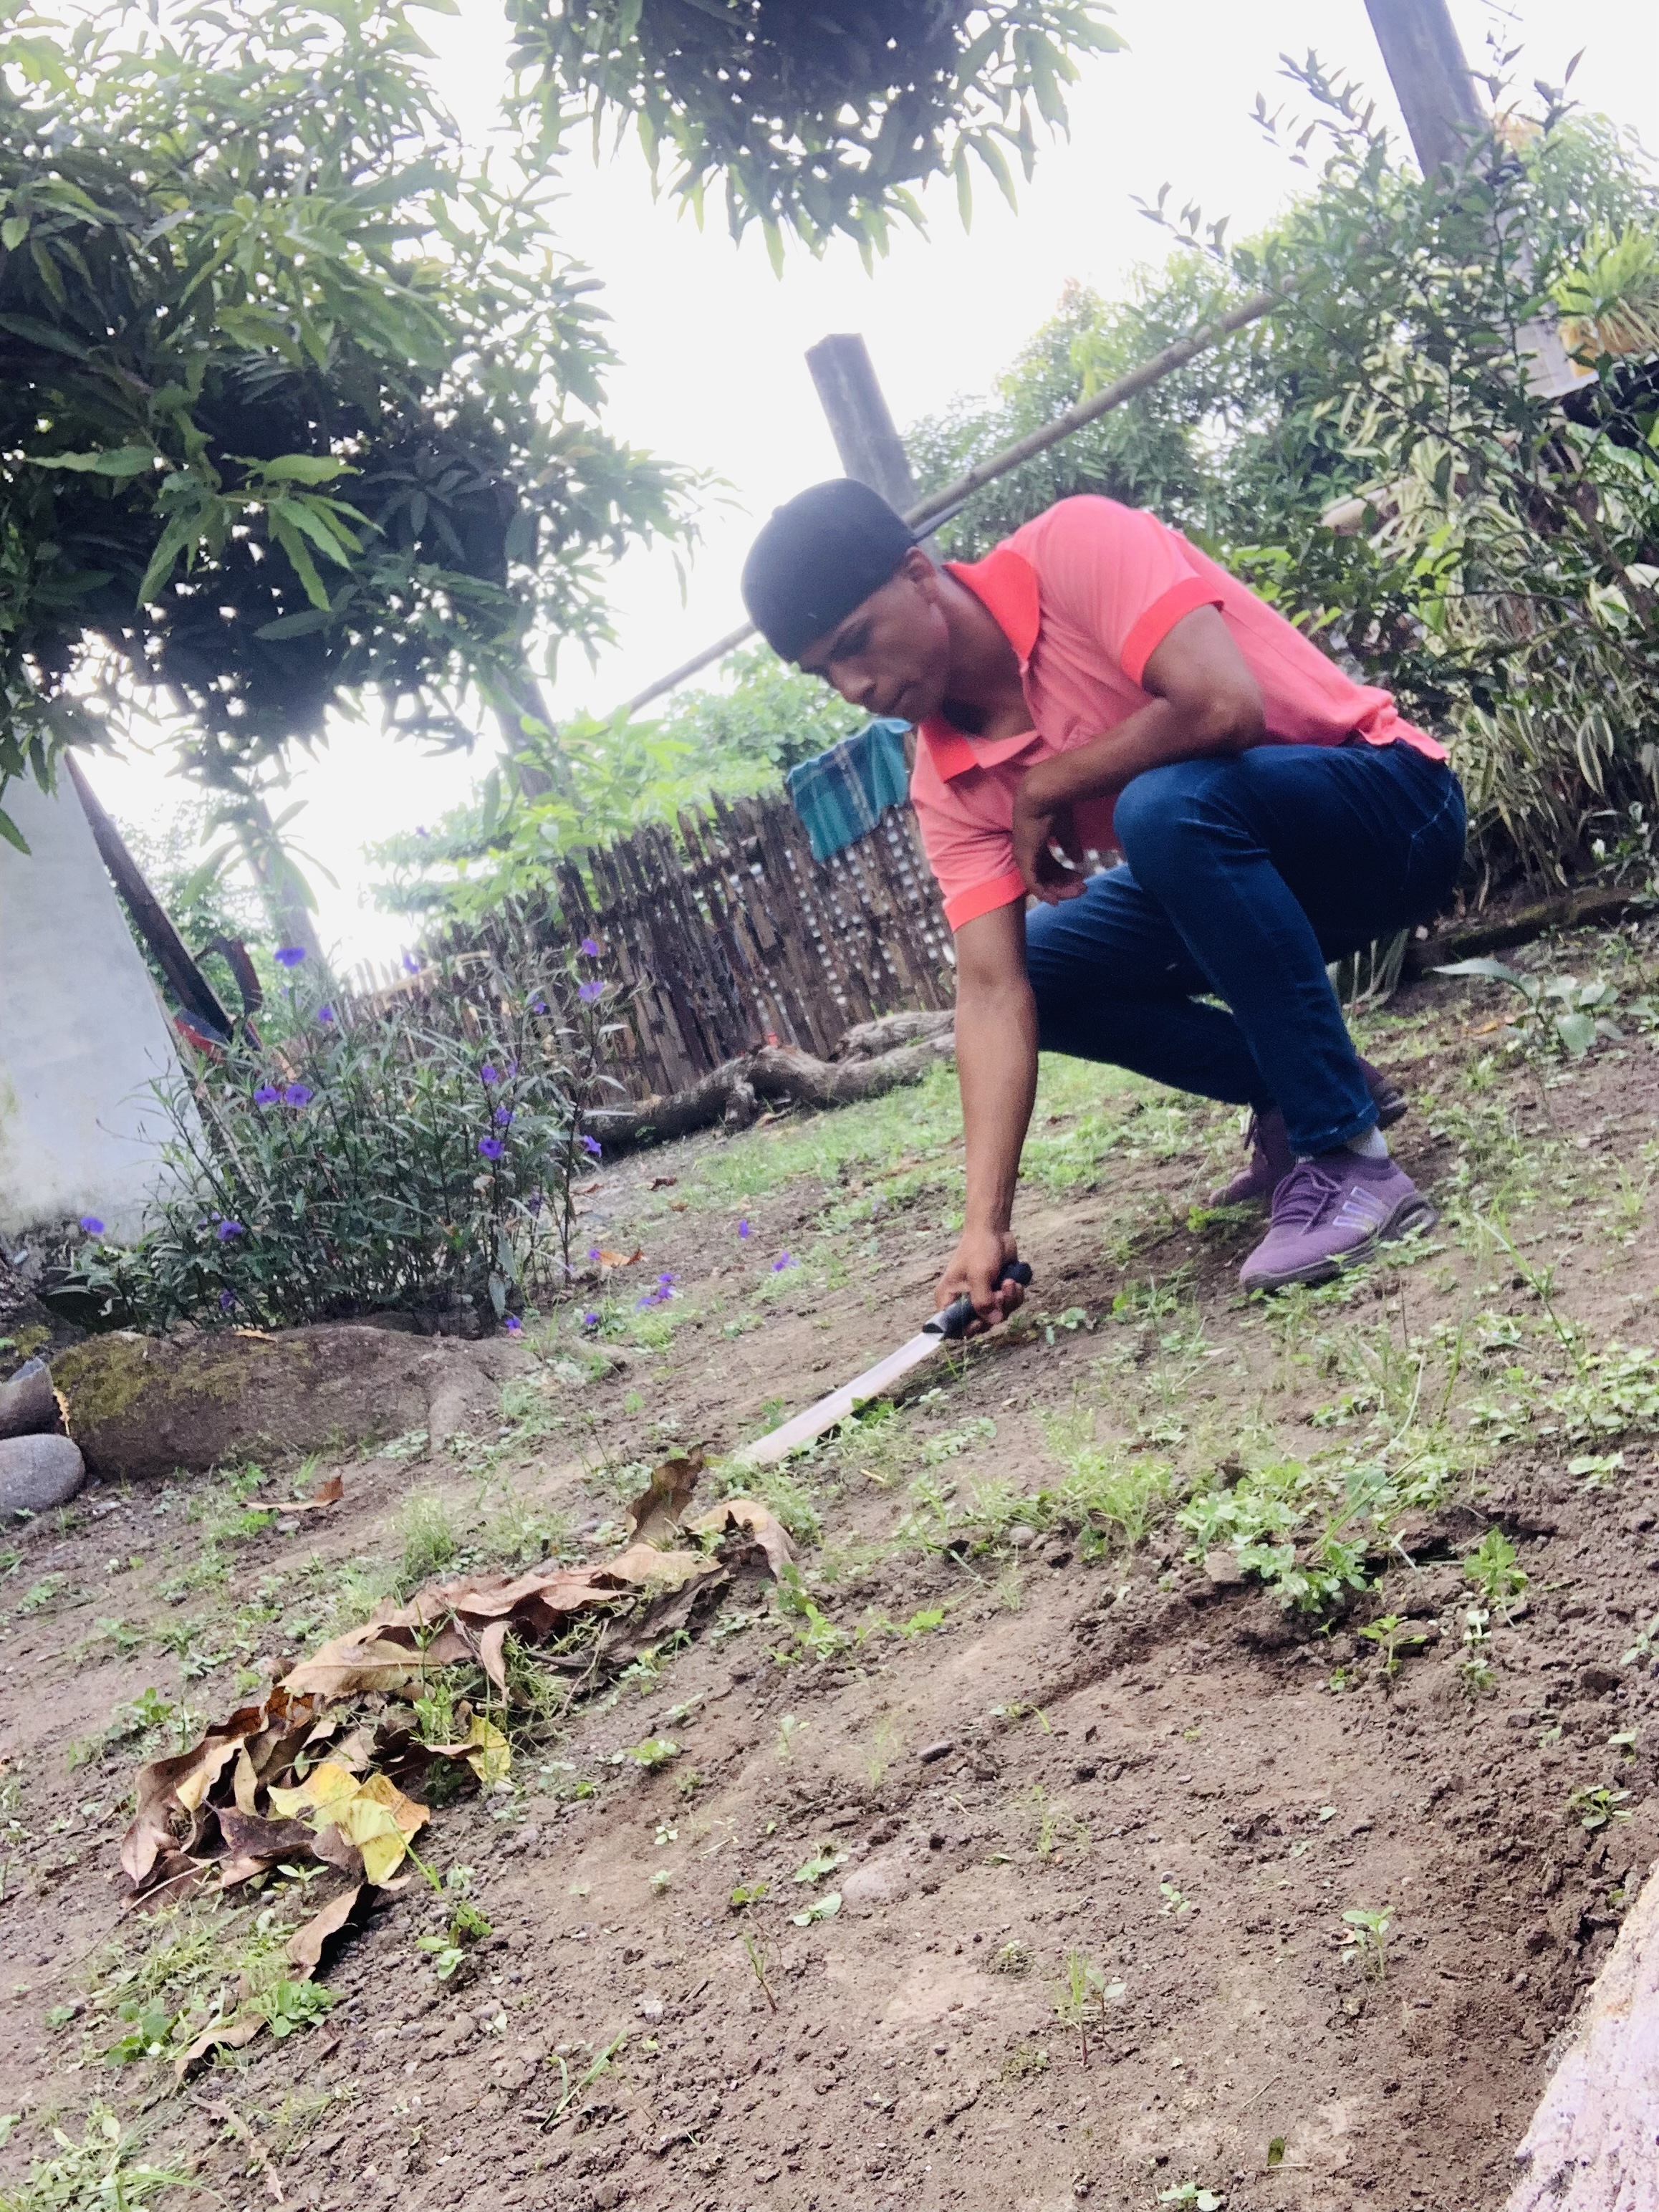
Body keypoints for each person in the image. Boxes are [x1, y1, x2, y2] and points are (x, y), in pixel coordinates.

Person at [741, 479, 1466, 1319]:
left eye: (855, 642)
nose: (852, 685)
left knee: (1160, 810)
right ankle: (1300, 1083)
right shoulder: (945, 782)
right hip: (1259, 893)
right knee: (1037, 968)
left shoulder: (1075, 547)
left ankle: (1348, 1156)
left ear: (917, 574)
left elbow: (1222, 703)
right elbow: (991, 994)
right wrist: (984, 1226)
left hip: (1394, 814)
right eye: (824, 670)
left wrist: (1049, 783)